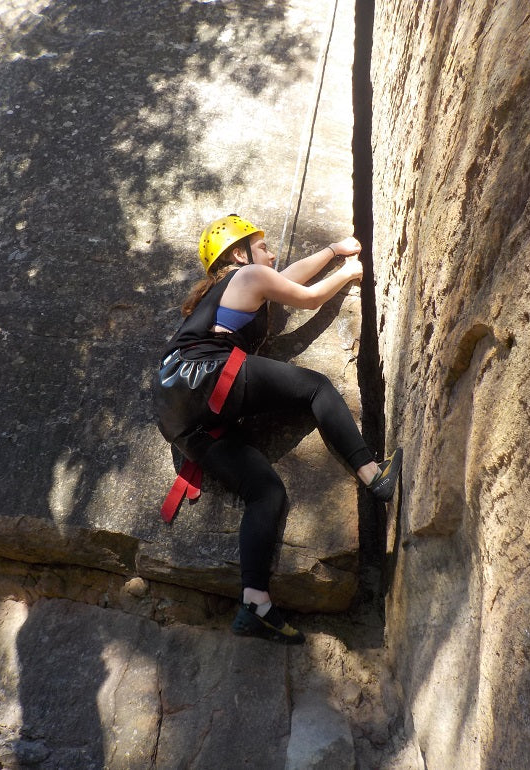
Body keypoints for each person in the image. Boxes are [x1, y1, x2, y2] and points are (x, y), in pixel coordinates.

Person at [154, 214, 403, 645]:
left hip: (181, 417)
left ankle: (255, 605)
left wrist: (331, 252)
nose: (271, 254)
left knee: (265, 492)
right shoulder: (249, 275)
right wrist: (348, 271)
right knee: (315, 389)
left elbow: (284, 281)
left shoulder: (229, 292)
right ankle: (371, 476)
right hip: (209, 377)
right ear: (239, 254)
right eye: (262, 246)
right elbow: (304, 297)